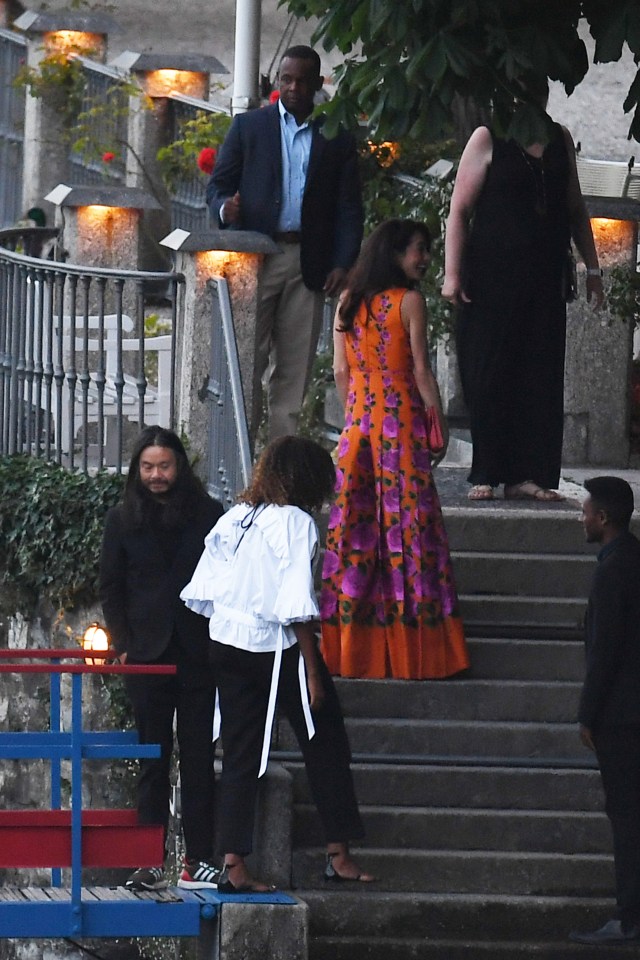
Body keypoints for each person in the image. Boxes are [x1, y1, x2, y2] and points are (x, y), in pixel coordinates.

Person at [181, 436, 373, 892]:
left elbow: (207, 585)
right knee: (324, 737)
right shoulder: (296, 523)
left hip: (226, 640)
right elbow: (295, 605)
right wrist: (311, 671)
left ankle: (233, 865)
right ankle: (338, 854)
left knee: (242, 752)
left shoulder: (237, 516)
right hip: (274, 645)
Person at [442, 78, 604, 502]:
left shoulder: (559, 139)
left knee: (539, 372)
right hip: (492, 277)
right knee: (490, 370)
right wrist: (452, 274)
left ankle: (529, 473)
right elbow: (459, 209)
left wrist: (593, 268)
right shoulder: (487, 137)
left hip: (545, 277)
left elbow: (574, 206)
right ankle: (488, 471)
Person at [320, 219, 469, 680]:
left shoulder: (345, 300)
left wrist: (357, 416)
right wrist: (437, 420)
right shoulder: (409, 302)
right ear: (394, 253)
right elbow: (422, 371)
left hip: (358, 428)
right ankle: (417, 652)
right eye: (418, 250)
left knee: (356, 533)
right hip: (401, 426)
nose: (424, 259)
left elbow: (340, 373)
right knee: (409, 531)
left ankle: (350, 650)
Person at [207, 45, 364, 444]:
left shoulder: (336, 137)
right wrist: (226, 208)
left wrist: (343, 262)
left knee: (294, 372)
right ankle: (241, 456)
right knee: (247, 361)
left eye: (301, 81)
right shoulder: (249, 128)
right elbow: (218, 187)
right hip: (255, 256)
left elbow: (349, 208)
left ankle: (279, 466)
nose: (292, 88)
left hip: (306, 263)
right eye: (286, 79)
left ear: (316, 84)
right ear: (278, 81)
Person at [99, 427, 223, 891]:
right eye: (147, 467)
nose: (156, 475)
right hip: (145, 657)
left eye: (164, 466)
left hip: (197, 653)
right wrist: (123, 643)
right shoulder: (121, 519)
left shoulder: (210, 515)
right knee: (153, 758)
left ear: (179, 467)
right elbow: (111, 587)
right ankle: (148, 860)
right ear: (137, 470)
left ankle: (200, 858)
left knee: (198, 758)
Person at [569, 476, 640, 945]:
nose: (583, 518)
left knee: (626, 815)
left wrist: (586, 713)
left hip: (620, 715)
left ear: (604, 518)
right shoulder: (632, 558)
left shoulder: (614, 569)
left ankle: (629, 916)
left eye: (587, 511)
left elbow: (606, 650)